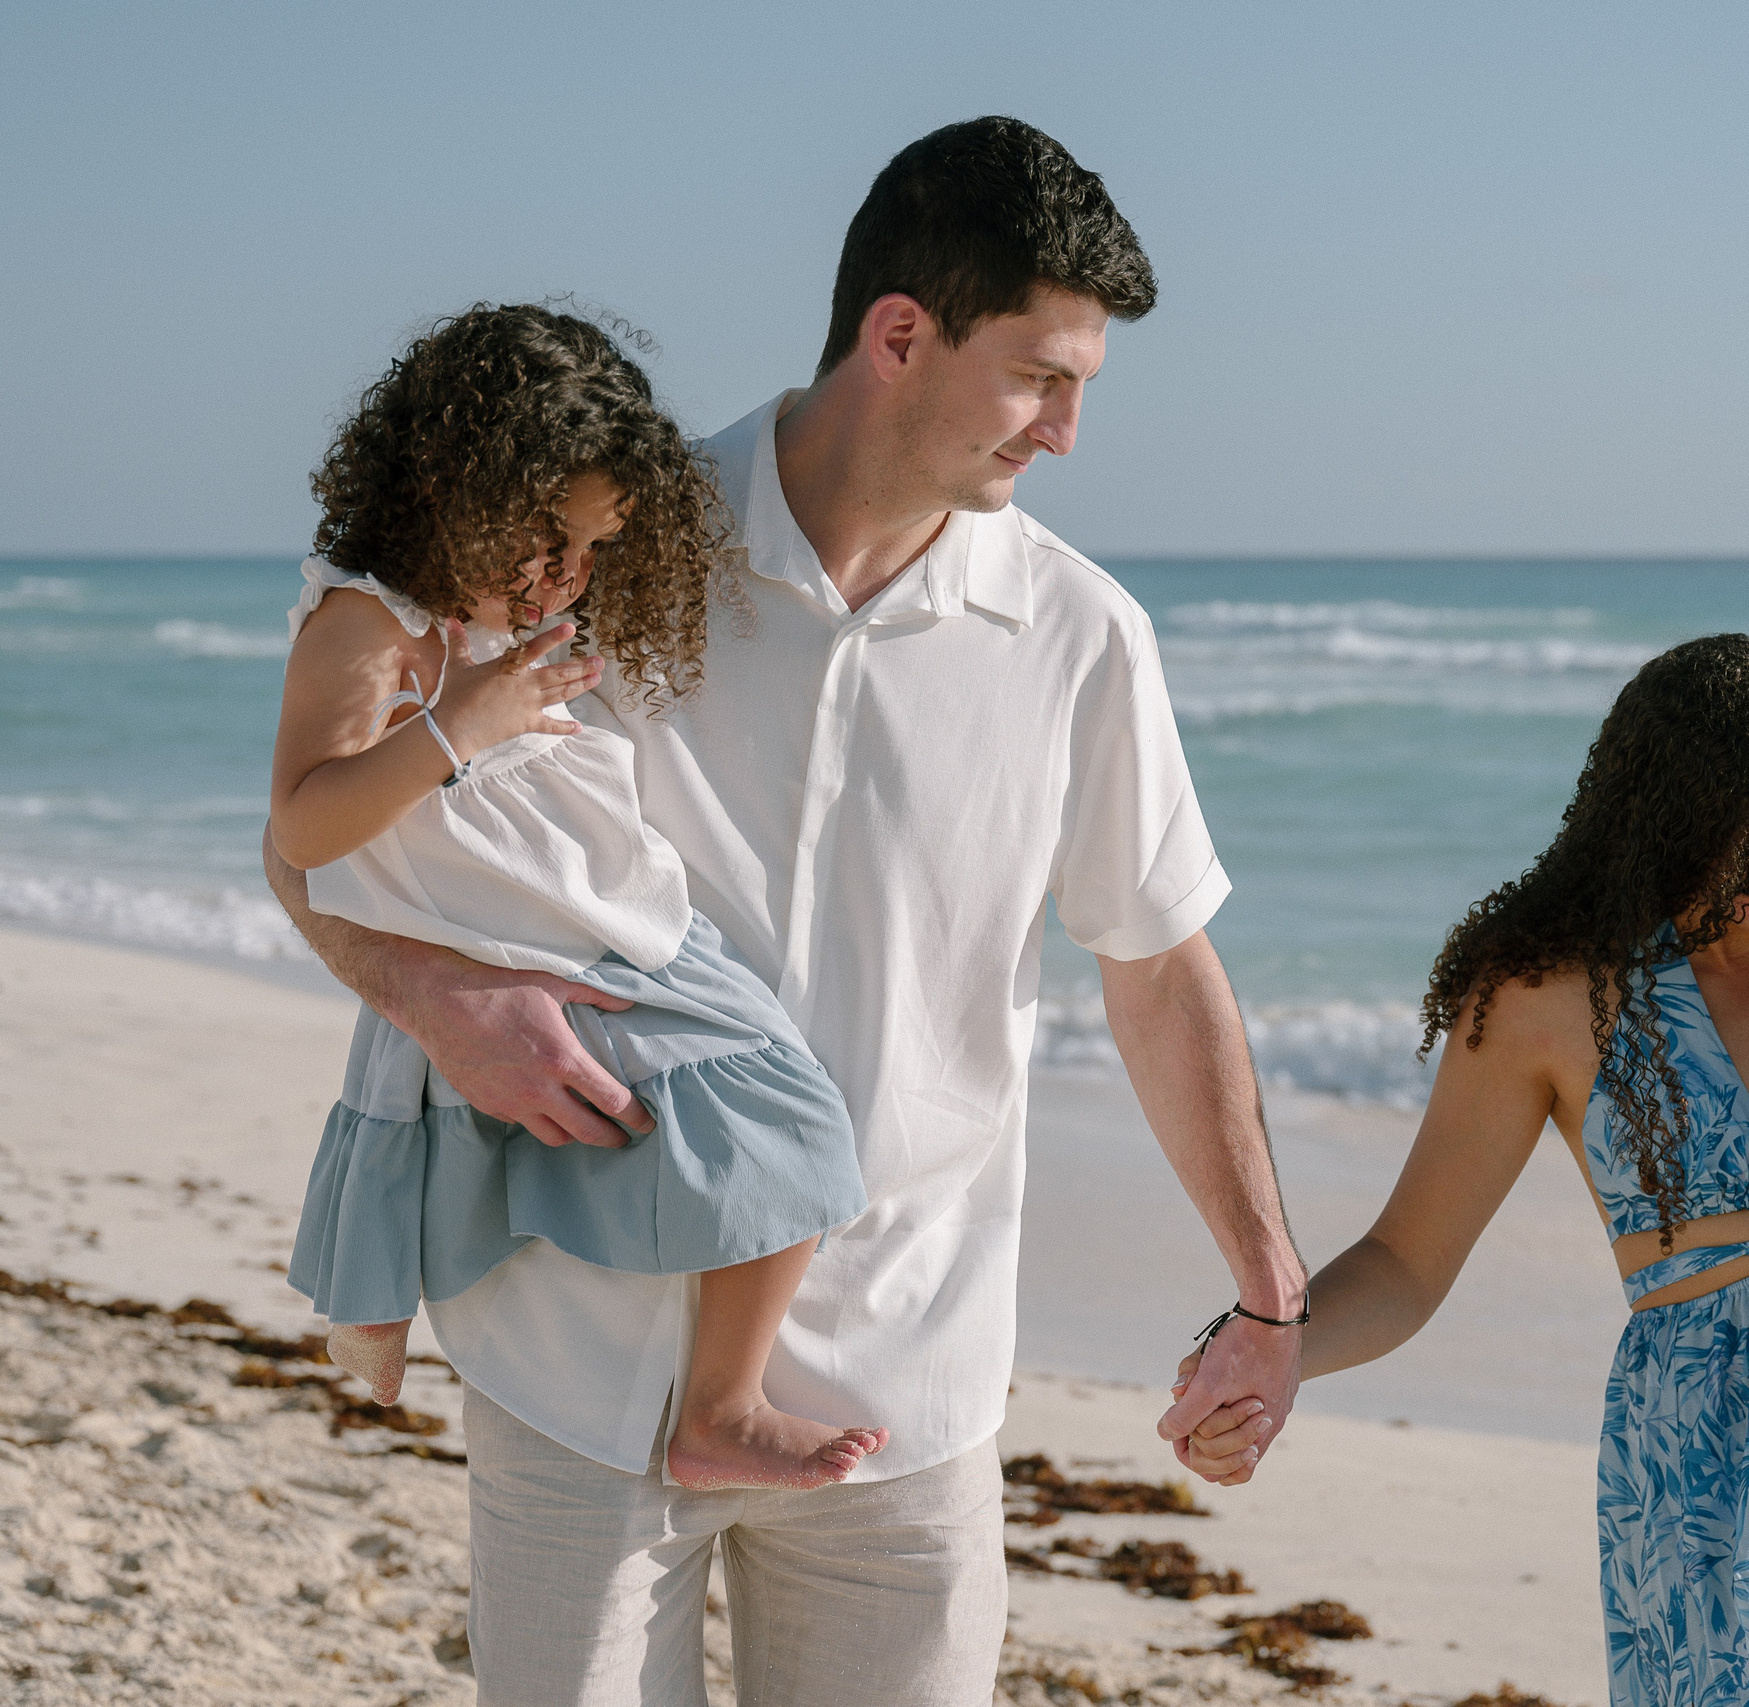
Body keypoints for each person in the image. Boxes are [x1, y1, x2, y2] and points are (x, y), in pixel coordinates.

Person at [266, 117, 1306, 1706]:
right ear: (901, 334)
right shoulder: (601, 545)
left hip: (904, 1380)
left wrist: (1265, 1287)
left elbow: (1158, 963)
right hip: (574, 1344)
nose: (1070, 431)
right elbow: (318, 840)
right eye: (1042, 374)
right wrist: (437, 1001)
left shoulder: (1079, 636)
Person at [1174, 636, 1749, 1706]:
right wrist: (1273, 1351)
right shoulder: (1546, 996)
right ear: (1681, 822)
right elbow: (1407, 1260)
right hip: (1707, 1459)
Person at [273, 302, 882, 1494]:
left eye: (599, 549)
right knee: (788, 1114)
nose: (576, 575)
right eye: (559, 537)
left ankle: (710, 1400)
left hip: (604, 923)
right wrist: (460, 724)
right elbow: (302, 823)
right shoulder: (367, 627)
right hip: (526, 938)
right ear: (463, 485)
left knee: (778, 1121)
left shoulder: (507, 622)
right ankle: (719, 1406)